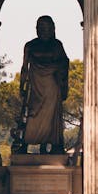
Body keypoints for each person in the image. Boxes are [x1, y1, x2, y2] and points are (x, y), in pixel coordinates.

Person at [12, 15, 69, 154]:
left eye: (46, 27)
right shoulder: (30, 45)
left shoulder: (57, 45)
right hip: (35, 86)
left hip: (51, 87)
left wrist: (56, 69)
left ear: (52, 29)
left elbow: (64, 63)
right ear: (36, 29)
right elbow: (24, 67)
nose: (43, 30)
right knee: (31, 115)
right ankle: (24, 144)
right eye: (40, 27)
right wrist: (22, 85)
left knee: (51, 118)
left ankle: (51, 145)